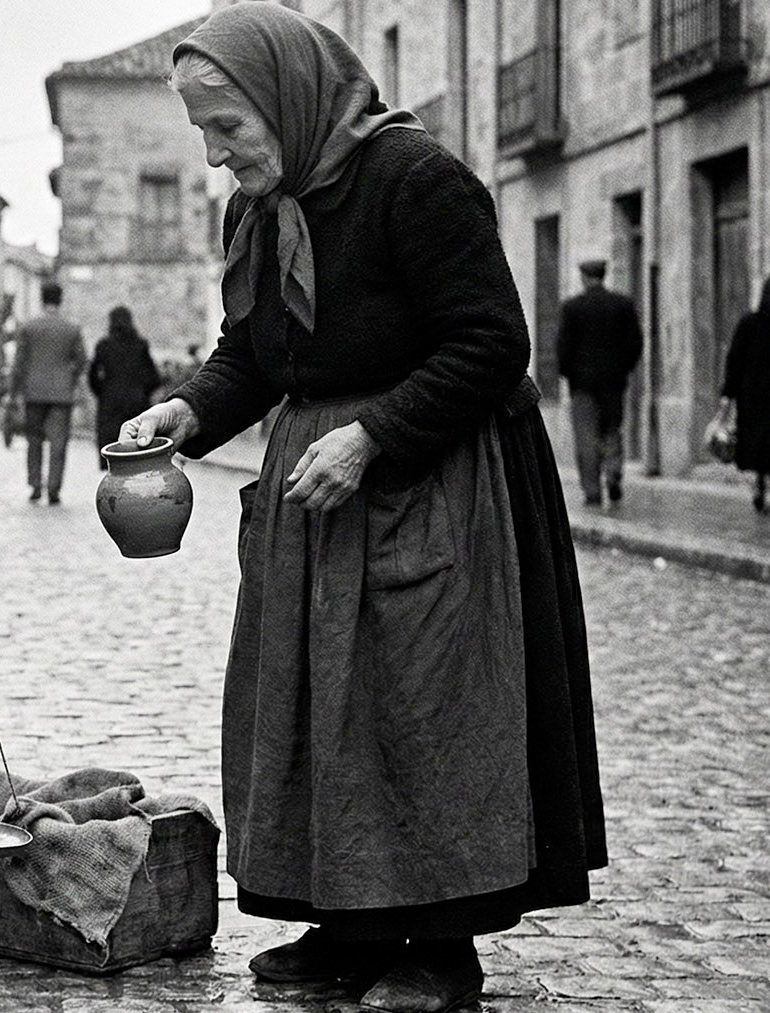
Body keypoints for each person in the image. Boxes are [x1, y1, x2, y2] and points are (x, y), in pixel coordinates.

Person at [122, 8, 605, 1012]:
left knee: (422, 713)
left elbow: (489, 344)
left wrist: (375, 434)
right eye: (203, 133)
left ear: (288, 101)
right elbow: (253, 355)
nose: (215, 156)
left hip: (434, 486)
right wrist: (188, 408)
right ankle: (345, 923)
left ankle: (440, 945)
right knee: (314, 709)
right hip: (318, 494)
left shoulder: (416, 184)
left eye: (229, 127)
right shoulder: (258, 208)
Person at [557, 259, 644, 507]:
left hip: (582, 384)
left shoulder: (573, 308)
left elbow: (563, 348)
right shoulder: (622, 305)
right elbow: (635, 343)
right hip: (613, 382)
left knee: (586, 437)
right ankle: (614, 472)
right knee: (612, 430)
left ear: (585, 277)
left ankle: (592, 490)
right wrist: (622, 369)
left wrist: (569, 373)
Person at [11, 281, 86, 503]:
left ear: (41, 299)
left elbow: (19, 363)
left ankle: (35, 484)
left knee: (33, 441)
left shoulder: (28, 327)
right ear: (60, 300)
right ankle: (54, 488)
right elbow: (82, 360)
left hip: (33, 392)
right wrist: (69, 377)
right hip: (62, 394)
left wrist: (15, 393)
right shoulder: (71, 328)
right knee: (58, 442)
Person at [88, 305, 161, 467]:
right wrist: (143, 392)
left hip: (110, 403)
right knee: (137, 454)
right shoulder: (140, 345)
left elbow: (93, 375)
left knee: (111, 454)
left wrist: (102, 392)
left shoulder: (104, 346)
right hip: (136, 403)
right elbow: (154, 377)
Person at [722, 276, 770, 513]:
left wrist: (728, 394)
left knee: (758, 442)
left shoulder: (749, 323)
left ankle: (760, 481)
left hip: (752, 396)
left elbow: (735, 360)